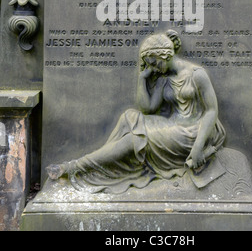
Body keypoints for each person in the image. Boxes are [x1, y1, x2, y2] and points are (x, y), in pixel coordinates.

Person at [46, 30, 226, 193]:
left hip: (191, 133)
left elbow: (211, 111)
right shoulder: (164, 80)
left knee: (135, 140)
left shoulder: (197, 74)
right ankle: (97, 164)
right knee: (129, 117)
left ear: (163, 54)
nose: (153, 68)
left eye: (153, 63)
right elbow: (147, 109)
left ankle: (75, 167)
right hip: (171, 126)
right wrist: (142, 79)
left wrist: (197, 148)